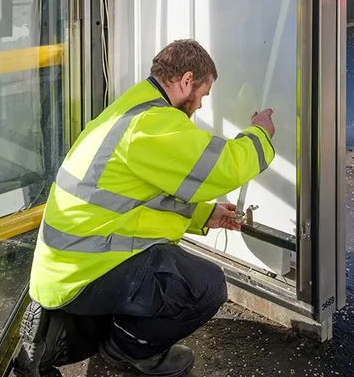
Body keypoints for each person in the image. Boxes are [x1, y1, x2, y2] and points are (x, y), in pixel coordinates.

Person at [14, 39, 275, 377]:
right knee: (206, 286)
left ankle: (56, 333)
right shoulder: (153, 125)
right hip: (87, 270)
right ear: (186, 80)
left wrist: (204, 215)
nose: (199, 105)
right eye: (202, 94)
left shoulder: (129, 109)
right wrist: (261, 135)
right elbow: (225, 167)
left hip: (65, 268)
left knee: (152, 275)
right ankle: (126, 350)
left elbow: (143, 196)